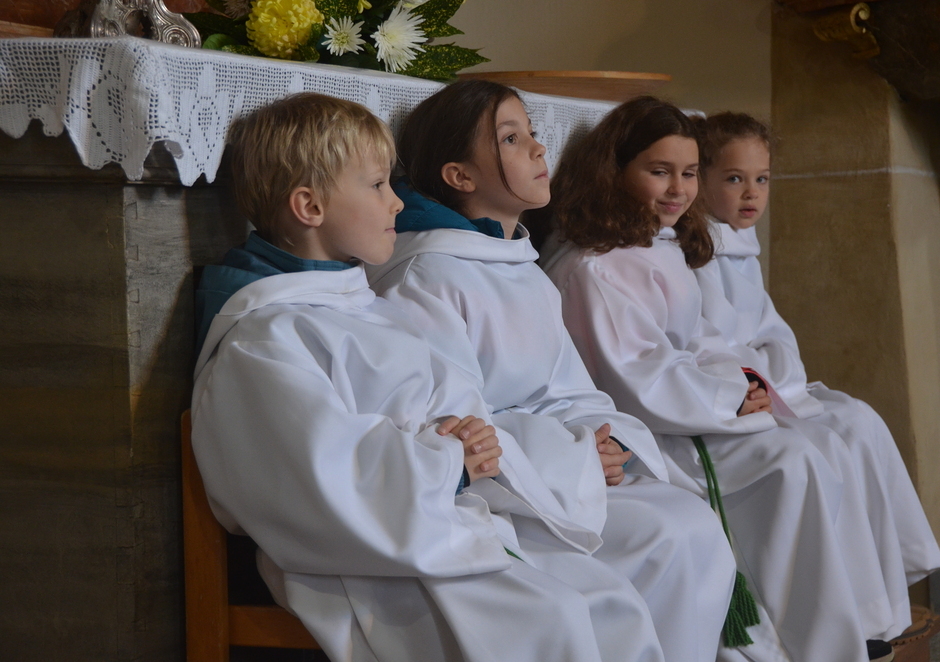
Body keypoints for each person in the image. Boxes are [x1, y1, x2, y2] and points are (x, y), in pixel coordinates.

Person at [191, 91, 667, 662]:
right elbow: (319, 475)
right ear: (309, 207)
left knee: (612, 603)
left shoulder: (362, 305)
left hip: (445, 523)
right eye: (377, 186)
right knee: (554, 619)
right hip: (367, 564)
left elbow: (460, 408)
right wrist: (452, 462)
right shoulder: (265, 340)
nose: (398, 202)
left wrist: (482, 444)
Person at [367, 79, 785, 662]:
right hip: (508, 496)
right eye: (511, 139)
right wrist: (579, 456)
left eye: (532, 133)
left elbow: (570, 388)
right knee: (670, 535)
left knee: (690, 523)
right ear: (459, 176)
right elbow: (457, 427)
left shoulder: (516, 264)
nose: (540, 149)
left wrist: (605, 440)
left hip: (558, 472)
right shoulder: (427, 277)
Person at [540, 96, 901, 662]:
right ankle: (801, 643)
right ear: (614, 170)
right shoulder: (594, 265)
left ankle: (836, 629)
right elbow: (635, 375)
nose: (678, 190)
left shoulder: (656, 245)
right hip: (651, 431)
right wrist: (730, 397)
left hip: (694, 407)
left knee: (813, 448)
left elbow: (701, 339)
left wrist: (744, 383)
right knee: (790, 461)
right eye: (659, 171)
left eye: (688, 174)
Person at [692, 110, 940, 619]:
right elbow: (708, 343)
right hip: (741, 396)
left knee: (860, 420)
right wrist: (762, 376)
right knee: (826, 445)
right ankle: (850, 611)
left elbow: (773, 332)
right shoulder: (696, 250)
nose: (752, 194)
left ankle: (884, 595)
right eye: (735, 179)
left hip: (776, 384)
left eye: (762, 179)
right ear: (701, 180)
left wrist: (780, 371)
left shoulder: (741, 245)